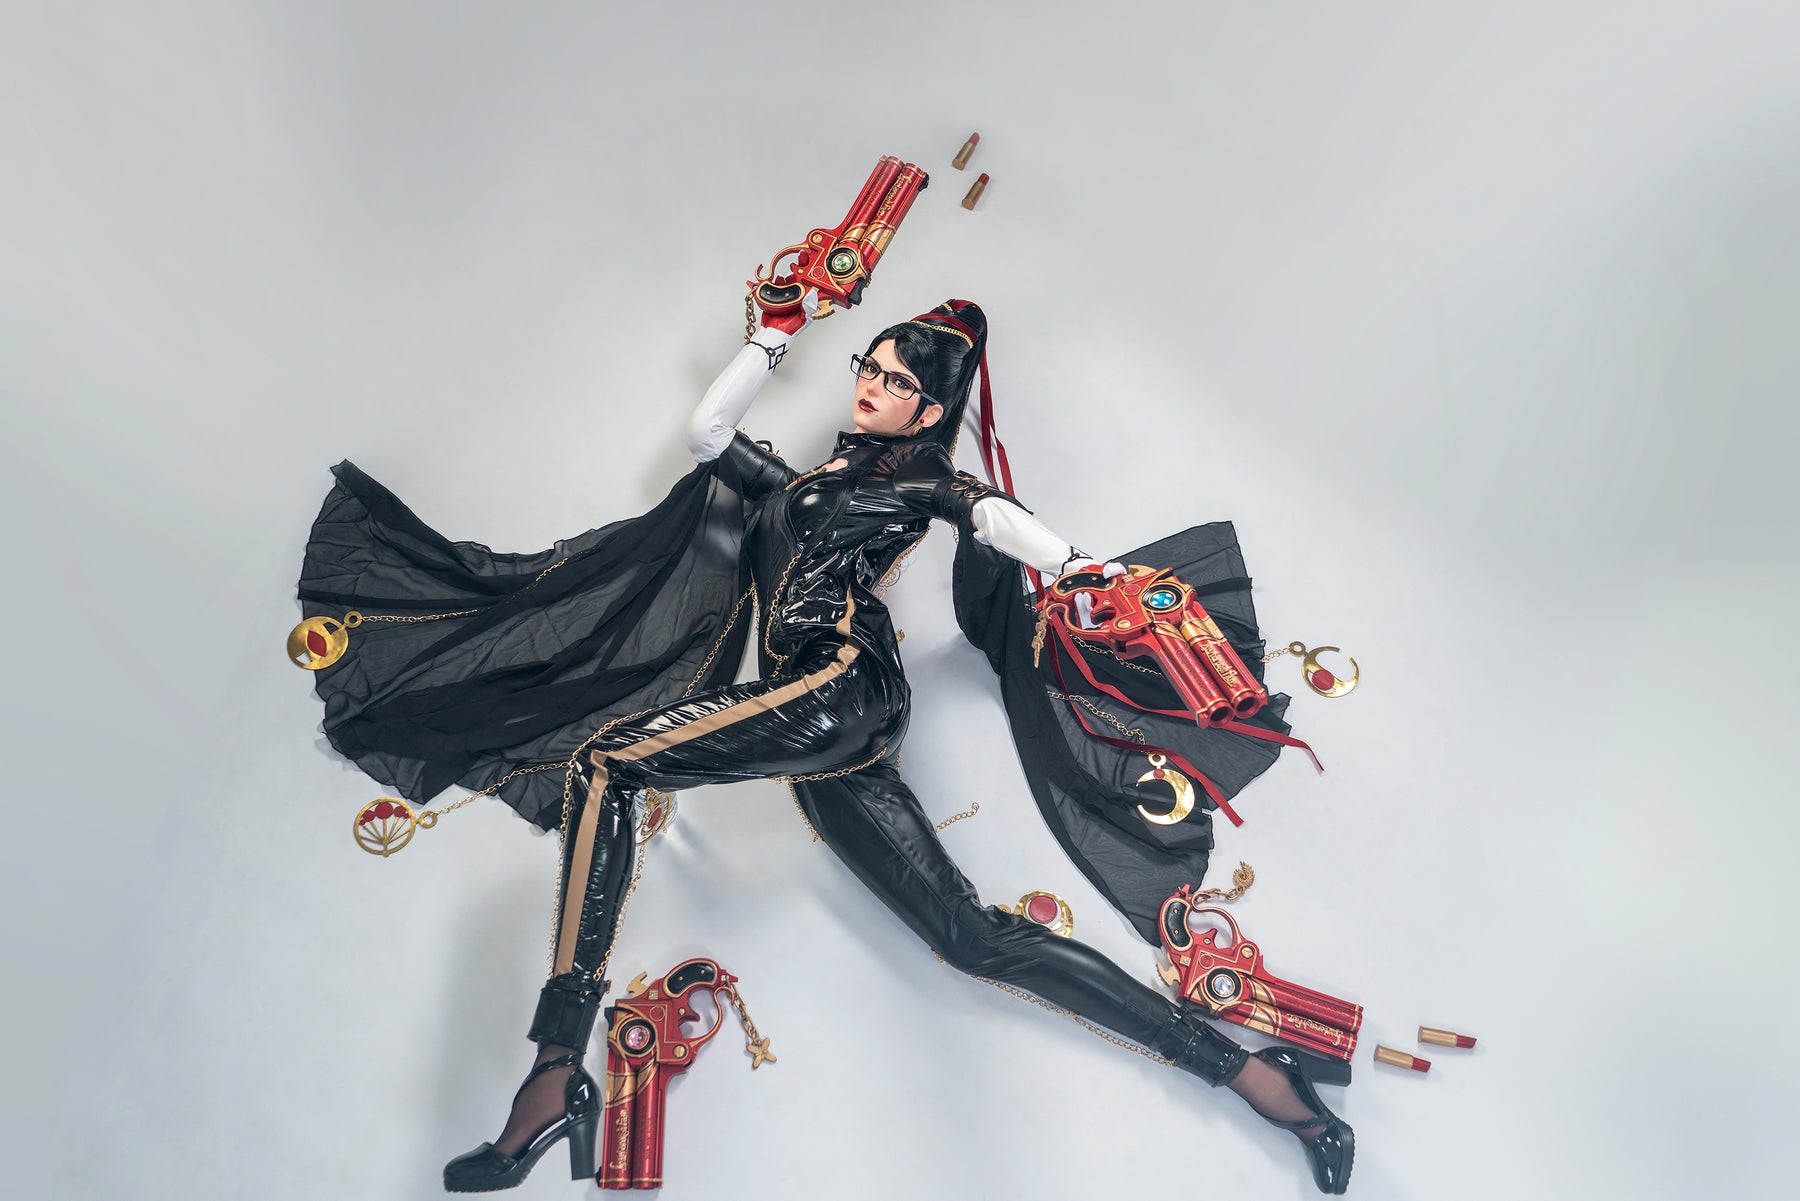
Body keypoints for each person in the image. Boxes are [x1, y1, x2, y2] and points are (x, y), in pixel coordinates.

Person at [298, 296, 1353, 1194]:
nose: (873, 386)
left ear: (928, 410)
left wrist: (1080, 565)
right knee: (970, 935)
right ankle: (1260, 1079)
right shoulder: (796, 486)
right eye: (870, 367)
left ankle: (553, 1068)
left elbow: (988, 513)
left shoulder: (912, 482)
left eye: (897, 380)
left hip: (843, 682)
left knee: (608, 761)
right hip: (828, 734)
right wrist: (772, 334)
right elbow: (708, 433)